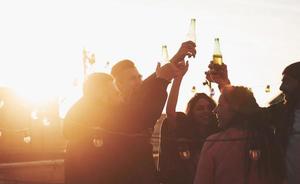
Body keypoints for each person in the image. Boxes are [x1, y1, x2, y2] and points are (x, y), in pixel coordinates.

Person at [107, 41, 197, 184]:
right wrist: (163, 80)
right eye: (132, 79)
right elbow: (147, 114)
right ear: (118, 84)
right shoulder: (115, 112)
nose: (138, 82)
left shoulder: (133, 100)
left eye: (139, 77)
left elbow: (146, 85)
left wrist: (175, 59)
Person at [205, 61, 300, 184]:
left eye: (287, 81)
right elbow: (251, 111)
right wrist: (225, 84)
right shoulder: (282, 112)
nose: (281, 87)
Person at [194, 86, 285, 184]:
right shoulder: (267, 138)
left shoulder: (213, 142)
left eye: (220, 105)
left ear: (234, 108)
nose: (214, 110)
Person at [159, 61, 219, 184]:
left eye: (209, 108)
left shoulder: (217, 134)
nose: (206, 111)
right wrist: (178, 78)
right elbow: (170, 112)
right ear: (192, 112)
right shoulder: (184, 127)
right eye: (200, 108)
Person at [63, 73, 121, 184]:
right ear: (99, 93)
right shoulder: (90, 113)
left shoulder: (86, 109)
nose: (116, 94)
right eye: (112, 91)